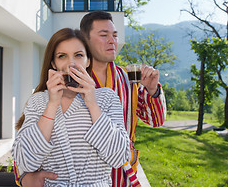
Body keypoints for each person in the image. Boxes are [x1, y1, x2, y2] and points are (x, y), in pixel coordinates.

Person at [17, 11, 167, 187]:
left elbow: (155, 120)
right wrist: (23, 178)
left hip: (120, 176)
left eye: (115, 35)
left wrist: (152, 89)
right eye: (104, 35)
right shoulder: (57, 85)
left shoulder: (129, 78)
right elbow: (28, 141)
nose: (112, 41)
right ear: (85, 40)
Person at [12, 28, 130, 187]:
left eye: (79, 55)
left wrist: (92, 104)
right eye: (62, 56)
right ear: (53, 63)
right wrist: (52, 104)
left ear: (88, 61)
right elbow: (25, 162)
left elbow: (120, 157)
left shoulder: (106, 97)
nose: (71, 63)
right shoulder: (39, 100)